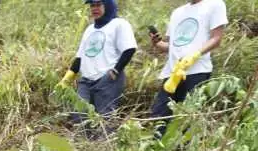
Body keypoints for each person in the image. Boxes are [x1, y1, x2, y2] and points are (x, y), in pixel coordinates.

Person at [149, 0, 228, 137]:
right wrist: (157, 43)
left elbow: (217, 38)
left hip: (197, 71)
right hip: (172, 72)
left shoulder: (215, 4)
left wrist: (195, 55)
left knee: (188, 118)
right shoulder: (177, 12)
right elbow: (171, 46)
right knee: (159, 115)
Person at [59, 0, 137, 133]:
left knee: (104, 119)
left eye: (98, 4)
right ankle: (83, 149)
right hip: (86, 81)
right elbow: (79, 58)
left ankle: (103, 149)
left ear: (108, 5)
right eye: (92, 5)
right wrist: (66, 80)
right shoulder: (89, 29)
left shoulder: (119, 24)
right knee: (79, 114)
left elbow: (129, 49)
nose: (94, 8)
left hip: (108, 80)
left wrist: (115, 71)